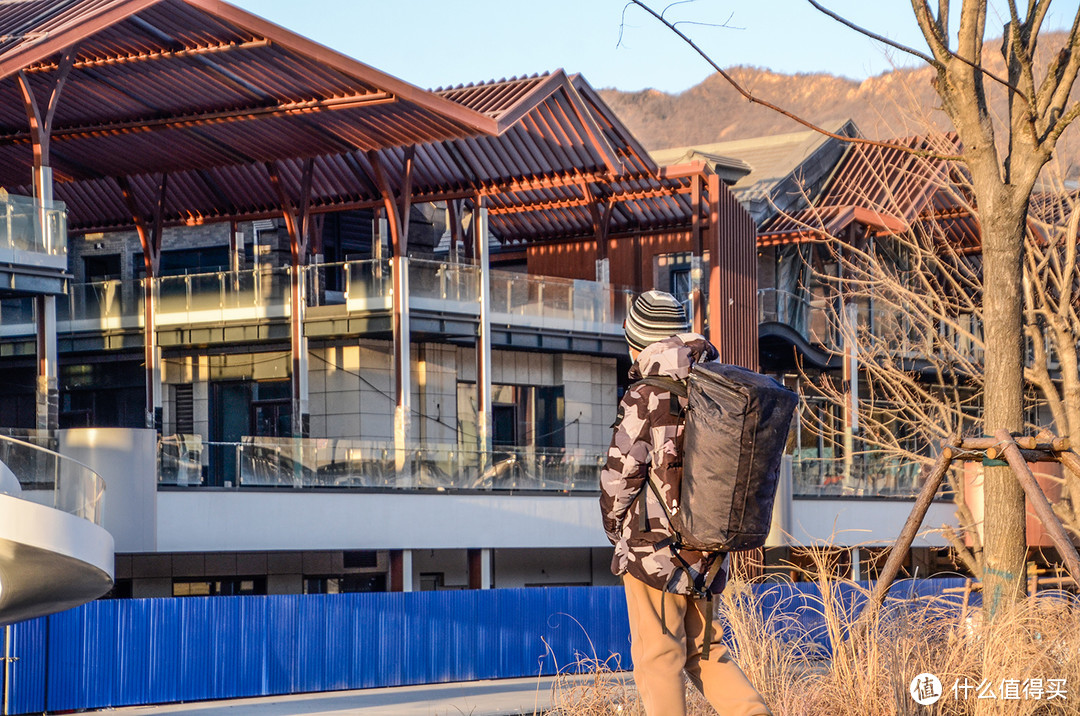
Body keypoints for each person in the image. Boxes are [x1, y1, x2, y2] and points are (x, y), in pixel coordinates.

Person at [599, 290, 772, 716]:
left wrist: (617, 533)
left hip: (653, 550)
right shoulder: (715, 385)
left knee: (659, 659)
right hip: (708, 545)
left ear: (636, 341)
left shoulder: (647, 394)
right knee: (706, 650)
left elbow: (620, 477)